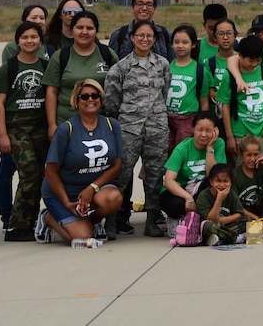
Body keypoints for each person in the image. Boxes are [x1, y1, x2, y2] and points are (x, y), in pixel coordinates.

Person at [104, 18, 172, 237]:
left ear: (154, 39)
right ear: (132, 37)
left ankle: (152, 221)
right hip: (128, 131)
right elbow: (112, 102)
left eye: (149, 36)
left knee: (154, 177)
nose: (145, 39)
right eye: (140, 35)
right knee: (121, 175)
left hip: (157, 130)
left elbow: (165, 93)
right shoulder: (120, 67)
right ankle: (112, 221)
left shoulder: (162, 64)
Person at [37, 79, 124, 244]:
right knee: (82, 238)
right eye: (84, 97)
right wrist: (66, 202)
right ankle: (48, 217)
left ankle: (93, 222)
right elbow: (51, 170)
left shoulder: (112, 125)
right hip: (64, 193)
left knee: (113, 198)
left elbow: (117, 165)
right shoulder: (66, 130)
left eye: (95, 95)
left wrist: (92, 188)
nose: (90, 99)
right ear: (76, 101)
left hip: (94, 190)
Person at [0, 20, 49, 241]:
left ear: (40, 41)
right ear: (18, 41)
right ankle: (16, 226)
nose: (29, 41)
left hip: (40, 128)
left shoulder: (45, 66)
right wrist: (3, 135)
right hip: (17, 128)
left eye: (34, 37)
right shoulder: (9, 67)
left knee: (39, 176)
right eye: (24, 37)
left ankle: (31, 221)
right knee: (29, 173)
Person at [43, 10, 116, 135]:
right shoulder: (60, 57)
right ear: (72, 30)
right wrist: (52, 125)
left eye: (90, 28)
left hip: (102, 123)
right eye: (79, 27)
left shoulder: (107, 54)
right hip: (67, 124)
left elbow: (119, 89)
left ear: (96, 31)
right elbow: (52, 92)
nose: (84, 32)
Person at [216, 35, 263, 160]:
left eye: (258, 60)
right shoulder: (229, 76)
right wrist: (230, 136)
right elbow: (225, 106)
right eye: (250, 60)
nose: (254, 64)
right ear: (240, 56)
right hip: (240, 133)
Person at [160, 111, 226, 222]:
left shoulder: (219, 144)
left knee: (218, 187)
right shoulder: (182, 148)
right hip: (180, 191)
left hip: (203, 190)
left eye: (208, 130)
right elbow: (169, 181)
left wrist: (210, 149)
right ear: (193, 129)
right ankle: (180, 222)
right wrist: (188, 197)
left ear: (215, 130)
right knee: (175, 205)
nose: (203, 134)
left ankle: (203, 222)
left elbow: (215, 176)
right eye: (199, 130)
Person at [166, 24, 209, 152]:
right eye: (176, 42)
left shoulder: (200, 70)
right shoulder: (165, 67)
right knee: (160, 157)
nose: (180, 46)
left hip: (188, 121)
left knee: (182, 155)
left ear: (193, 44)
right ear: (172, 44)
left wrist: (202, 125)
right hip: (166, 120)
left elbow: (204, 101)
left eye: (185, 42)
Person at [108, 0, 173, 60]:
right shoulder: (119, 35)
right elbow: (112, 64)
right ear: (132, 8)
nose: (144, 8)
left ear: (154, 9)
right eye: (139, 4)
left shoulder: (165, 35)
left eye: (149, 4)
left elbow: (173, 64)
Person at [194, 163, 248, 245]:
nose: (222, 185)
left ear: (231, 182)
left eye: (225, 181)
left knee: (247, 220)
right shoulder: (204, 196)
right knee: (208, 226)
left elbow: (239, 213)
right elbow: (210, 219)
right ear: (211, 182)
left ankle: (220, 238)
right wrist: (219, 199)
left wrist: (226, 220)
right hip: (212, 226)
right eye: (218, 181)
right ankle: (235, 238)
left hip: (225, 226)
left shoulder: (231, 193)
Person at [233, 135, 263, 224]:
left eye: (256, 154)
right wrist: (255, 218)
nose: (252, 159)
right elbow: (235, 205)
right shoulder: (235, 175)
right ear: (241, 155)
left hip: (260, 212)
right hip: (245, 214)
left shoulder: (261, 169)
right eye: (249, 155)